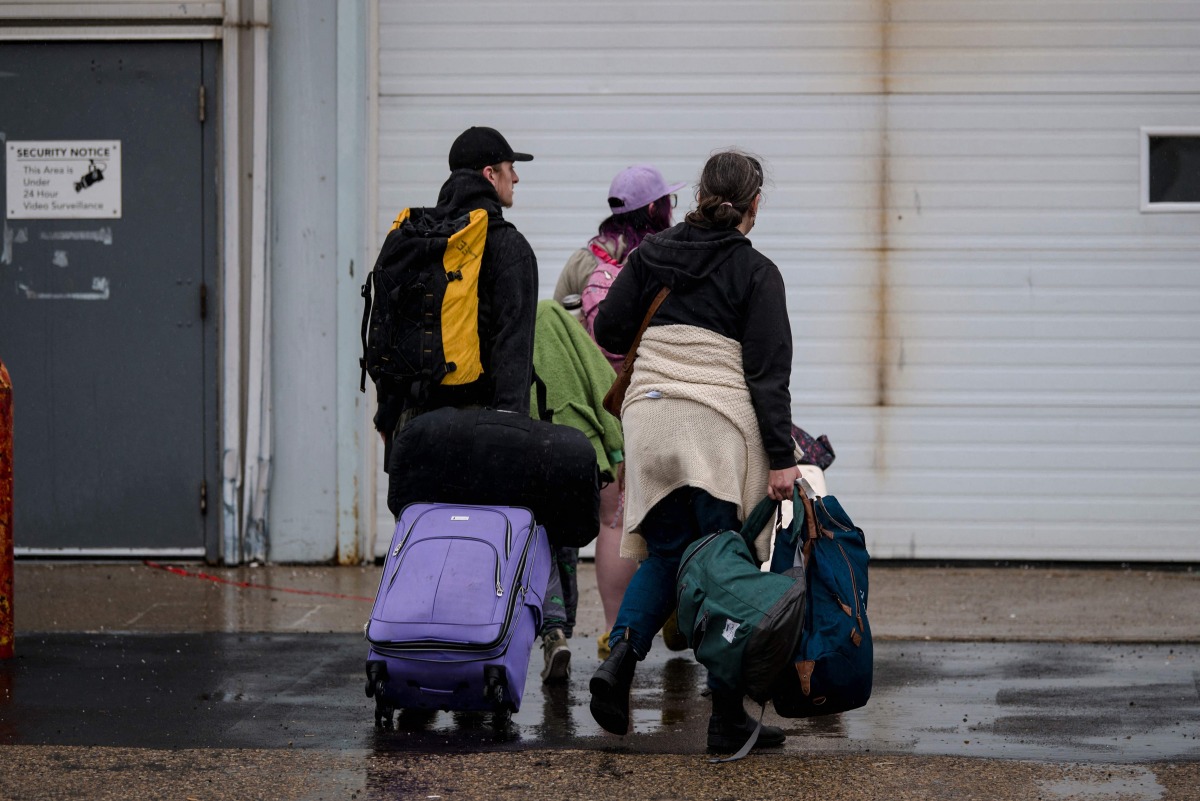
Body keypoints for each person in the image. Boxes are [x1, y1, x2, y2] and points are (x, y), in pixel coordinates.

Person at [587, 150, 801, 753]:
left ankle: (620, 660)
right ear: (753, 205)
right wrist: (781, 457)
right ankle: (728, 717)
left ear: (699, 196)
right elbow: (766, 374)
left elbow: (607, 332)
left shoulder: (653, 253)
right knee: (721, 560)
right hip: (712, 430)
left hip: (650, 420)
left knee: (669, 551)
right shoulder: (757, 273)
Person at [370, 126, 572, 678]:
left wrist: (389, 420)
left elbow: (384, 336)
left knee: (423, 539)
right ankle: (536, 637)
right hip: (482, 416)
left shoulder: (409, 238)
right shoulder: (507, 247)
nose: (517, 177)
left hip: (413, 422)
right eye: (511, 167)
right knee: (510, 530)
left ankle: (408, 651)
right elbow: (512, 348)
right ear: (490, 174)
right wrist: (513, 430)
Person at [553, 164, 686, 656]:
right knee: (674, 512)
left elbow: (561, 339)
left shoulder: (582, 263)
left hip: (599, 409)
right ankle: (675, 617)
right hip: (653, 399)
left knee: (614, 522)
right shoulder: (665, 258)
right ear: (655, 208)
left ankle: (613, 630)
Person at [527, 299, 626, 682]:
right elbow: (602, 378)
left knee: (541, 542)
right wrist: (616, 445)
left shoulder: (501, 324)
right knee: (570, 542)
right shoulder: (553, 314)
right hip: (577, 450)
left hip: (526, 447)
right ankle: (565, 626)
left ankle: (553, 630)